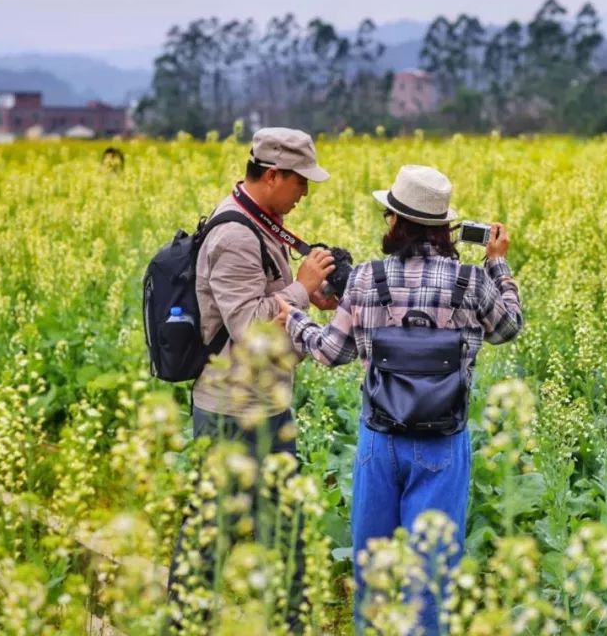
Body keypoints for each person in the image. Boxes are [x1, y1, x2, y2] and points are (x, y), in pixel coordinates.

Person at [275, 165, 523, 634]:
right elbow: (509, 326)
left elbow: (331, 352)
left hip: (380, 442)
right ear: (446, 228)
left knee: (373, 572)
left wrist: (292, 318)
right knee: (431, 582)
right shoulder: (472, 281)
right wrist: (497, 263)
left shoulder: (367, 278)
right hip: (442, 445)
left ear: (394, 221)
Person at [167, 126, 336, 629]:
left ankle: (285, 619)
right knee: (214, 527)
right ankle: (187, 620)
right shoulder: (236, 233)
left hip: (260, 400)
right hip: (233, 409)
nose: (304, 191)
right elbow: (246, 326)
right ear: (274, 174)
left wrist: (312, 297)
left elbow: (267, 296)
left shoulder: (259, 222)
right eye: (300, 180)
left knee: (275, 525)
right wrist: (302, 290)